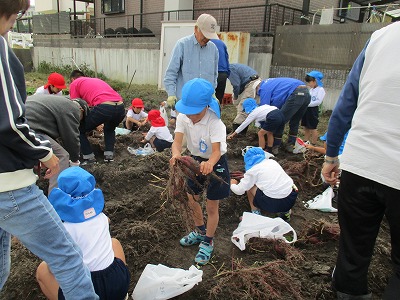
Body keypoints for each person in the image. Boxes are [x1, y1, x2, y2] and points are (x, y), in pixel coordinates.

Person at [0, 2, 98, 299]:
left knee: (1, 266)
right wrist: (46, 155)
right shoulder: (69, 108)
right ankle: (57, 196)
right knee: (67, 257)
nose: (14, 23)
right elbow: (10, 124)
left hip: (19, 148)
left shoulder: (53, 96)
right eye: (16, 15)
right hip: (10, 184)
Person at [321, 21, 400, 299]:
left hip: (360, 163)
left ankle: (348, 293)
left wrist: (331, 154)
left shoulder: (381, 36)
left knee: (353, 249)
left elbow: (346, 102)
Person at [36, 167, 130, 300]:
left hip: (83, 287)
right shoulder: (102, 218)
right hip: (116, 283)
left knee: (43, 270)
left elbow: (56, 266)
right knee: (114, 242)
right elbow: (106, 221)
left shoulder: (63, 229)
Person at [170, 78, 230, 265]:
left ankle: (208, 241)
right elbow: (177, 142)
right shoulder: (183, 117)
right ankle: (199, 230)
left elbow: (217, 151)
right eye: (186, 111)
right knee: (192, 198)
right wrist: (176, 154)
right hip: (194, 160)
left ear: (205, 106)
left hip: (216, 162)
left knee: (212, 206)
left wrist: (210, 163)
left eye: (194, 112)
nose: (190, 116)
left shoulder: (215, 122)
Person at [25, 94, 89, 194]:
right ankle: (55, 197)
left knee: (43, 155)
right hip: (29, 128)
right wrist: (75, 162)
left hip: (16, 126)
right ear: (81, 110)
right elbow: (71, 137)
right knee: (62, 156)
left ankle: (29, 190)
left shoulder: (57, 103)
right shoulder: (73, 108)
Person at [69, 70, 126, 164]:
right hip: (120, 107)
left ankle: (89, 158)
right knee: (109, 129)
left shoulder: (75, 83)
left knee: (79, 130)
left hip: (104, 107)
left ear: (73, 79)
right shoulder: (95, 80)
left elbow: (76, 105)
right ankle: (109, 156)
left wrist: (79, 122)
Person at [164, 13, 219, 108]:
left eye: (209, 36)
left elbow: (214, 75)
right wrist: (171, 94)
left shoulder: (213, 49)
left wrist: (212, 92)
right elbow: (171, 72)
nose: (207, 39)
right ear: (196, 29)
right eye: (205, 35)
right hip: (185, 103)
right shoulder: (182, 45)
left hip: (204, 104)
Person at [230, 147, 297, 222]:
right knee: (282, 185)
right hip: (290, 199)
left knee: (250, 186)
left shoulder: (252, 171)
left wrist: (232, 184)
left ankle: (256, 214)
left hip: (273, 204)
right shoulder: (272, 162)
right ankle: (285, 213)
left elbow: (239, 191)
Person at [255, 77, 311, 154]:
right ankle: (291, 145)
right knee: (295, 121)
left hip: (296, 92)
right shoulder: (271, 83)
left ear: (257, 87)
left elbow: (265, 107)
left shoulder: (263, 88)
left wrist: (263, 125)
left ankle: (275, 146)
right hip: (306, 93)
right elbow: (278, 101)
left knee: (280, 119)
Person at [228, 63, 261, 133]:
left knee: (243, 107)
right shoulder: (233, 66)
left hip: (251, 83)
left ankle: (237, 133)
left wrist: (236, 96)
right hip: (253, 81)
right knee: (243, 106)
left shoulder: (230, 69)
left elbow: (236, 85)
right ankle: (241, 128)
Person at [301, 70, 326, 145]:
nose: (308, 84)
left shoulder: (321, 90)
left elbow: (318, 101)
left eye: (309, 82)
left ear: (315, 81)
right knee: (306, 127)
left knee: (312, 127)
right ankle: (305, 142)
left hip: (313, 110)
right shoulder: (311, 90)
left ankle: (313, 144)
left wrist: (307, 104)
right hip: (307, 109)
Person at [210, 38, 230, 104]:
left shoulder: (206, 43)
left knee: (208, 97)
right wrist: (227, 73)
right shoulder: (221, 43)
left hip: (211, 73)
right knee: (219, 98)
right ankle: (218, 112)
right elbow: (226, 58)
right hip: (223, 73)